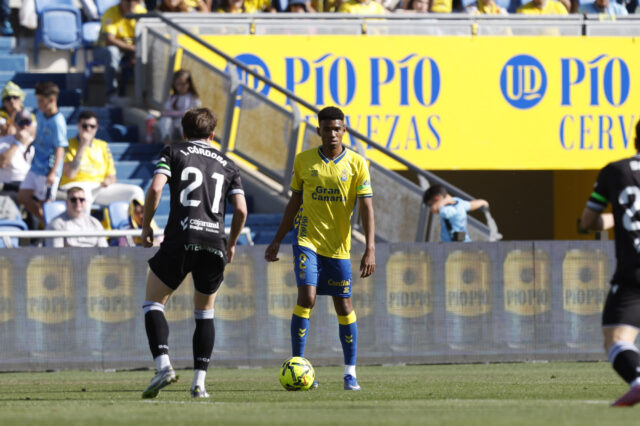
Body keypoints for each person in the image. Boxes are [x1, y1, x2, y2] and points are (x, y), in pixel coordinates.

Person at [264, 106, 376, 391]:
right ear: (319, 131)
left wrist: (370, 248)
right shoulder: (304, 161)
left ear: (344, 131)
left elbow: (366, 207)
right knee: (307, 297)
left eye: (337, 129)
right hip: (306, 239)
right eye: (327, 129)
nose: (333, 134)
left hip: (338, 246)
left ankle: (350, 373)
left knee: (344, 304)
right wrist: (277, 239)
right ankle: (298, 365)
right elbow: (294, 203)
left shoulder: (357, 163)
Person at [140, 107, 248, 399]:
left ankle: (163, 366)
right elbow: (241, 209)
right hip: (214, 242)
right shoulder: (228, 163)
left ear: (183, 132)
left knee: (154, 304)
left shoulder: (173, 151)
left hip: (182, 237)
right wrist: (232, 243)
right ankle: (199, 384)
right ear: (212, 135)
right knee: (204, 312)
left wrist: (146, 225)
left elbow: (155, 189)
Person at [579, 119, 640, 407]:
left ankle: (638, 381)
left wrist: (620, 217)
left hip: (634, 270)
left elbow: (588, 221)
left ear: (635, 141)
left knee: (616, 338)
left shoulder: (616, 171)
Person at [60, 110, 144, 213]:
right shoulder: (67, 145)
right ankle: (82, 223)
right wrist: (83, 145)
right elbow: (71, 174)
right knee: (82, 197)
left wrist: (108, 181)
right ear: (78, 126)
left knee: (136, 191)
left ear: (96, 128)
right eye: (85, 126)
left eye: (92, 126)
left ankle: (135, 222)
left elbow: (112, 176)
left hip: (98, 187)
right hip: (75, 185)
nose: (88, 129)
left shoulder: (103, 146)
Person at [17, 82, 68, 225]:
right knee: (23, 196)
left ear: (51, 100)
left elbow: (60, 148)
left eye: (41, 100)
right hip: (35, 166)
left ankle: (52, 228)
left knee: (46, 205)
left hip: (47, 170)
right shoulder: (40, 114)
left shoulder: (58, 122)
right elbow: (40, 135)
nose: (38, 103)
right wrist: (30, 146)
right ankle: (49, 225)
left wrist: (53, 172)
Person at [95, 0, 148, 102]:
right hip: (104, 49)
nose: (131, 3)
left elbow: (146, 36)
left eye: (135, 1)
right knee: (112, 51)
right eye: (128, 1)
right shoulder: (110, 12)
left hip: (131, 50)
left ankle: (144, 95)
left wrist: (136, 52)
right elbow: (110, 40)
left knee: (146, 53)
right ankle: (111, 93)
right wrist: (133, 49)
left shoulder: (141, 12)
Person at [423, 184, 488, 242]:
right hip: (462, 239)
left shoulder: (447, 210)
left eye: (430, 205)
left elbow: (438, 210)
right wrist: (483, 202)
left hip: (454, 245)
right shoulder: (458, 201)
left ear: (437, 198)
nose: (431, 208)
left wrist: (441, 203)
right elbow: (471, 205)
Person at [157, 70, 201, 145]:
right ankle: (167, 143)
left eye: (183, 84)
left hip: (185, 121)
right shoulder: (173, 98)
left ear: (189, 84)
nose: (180, 87)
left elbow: (194, 111)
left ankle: (188, 144)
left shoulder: (193, 98)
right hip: (173, 121)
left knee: (184, 122)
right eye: (178, 84)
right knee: (165, 121)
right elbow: (167, 110)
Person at [0, 109, 35, 199]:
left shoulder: (37, 144)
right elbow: (2, 163)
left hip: (29, 186)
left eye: (27, 123)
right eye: (20, 123)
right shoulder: (3, 142)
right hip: (8, 186)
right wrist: (17, 143)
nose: (24, 126)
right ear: (15, 124)